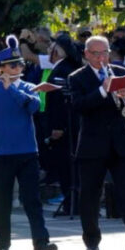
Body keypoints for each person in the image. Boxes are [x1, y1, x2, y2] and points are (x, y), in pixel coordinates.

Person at [0, 36, 56, 250]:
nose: (18, 68)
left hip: (27, 152)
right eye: (12, 65)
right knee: (1, 202)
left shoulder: (28, 87)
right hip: (0, 154)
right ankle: (2, 244)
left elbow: (33, 107)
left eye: (20, 64)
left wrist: (11, 89)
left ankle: (41, 243)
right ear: (1, 68)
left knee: (32, 200)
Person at [71, 36, 125, 250]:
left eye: (105, 52)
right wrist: (102, 90)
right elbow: (78, 106)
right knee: (90, 195)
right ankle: (91, 240)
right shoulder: (77, 78)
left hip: (120, 141)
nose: (101, 58)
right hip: (92, 145)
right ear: (87, 54)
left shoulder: (120, 71)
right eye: (96, 53)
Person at [43, 33, 82, 216]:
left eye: (52, 46)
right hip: (72, 126)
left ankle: (72, 204)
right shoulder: (70, 67)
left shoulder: (63, 69)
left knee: (67, 167)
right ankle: (73, 203)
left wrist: (57, 127)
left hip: (65, 126)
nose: (49, 50)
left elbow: (58, 101)